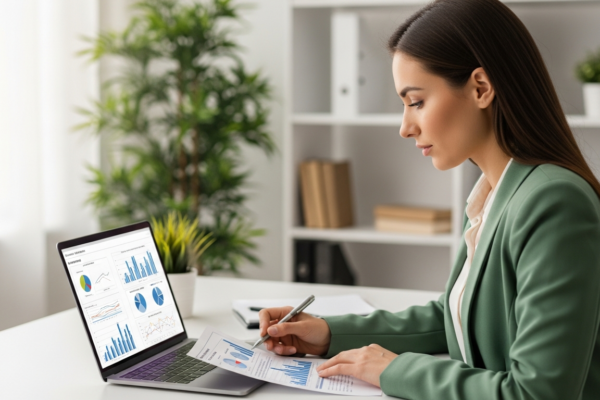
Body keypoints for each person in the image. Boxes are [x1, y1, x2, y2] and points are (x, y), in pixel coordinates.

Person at [258, 0, 600, 398]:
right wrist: (329, 331)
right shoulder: (494, 194)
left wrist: (396, 371)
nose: (405, 127)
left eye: (416, 101)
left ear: (481, 88)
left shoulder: (553, 202)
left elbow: (539, 393)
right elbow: (457, 314)